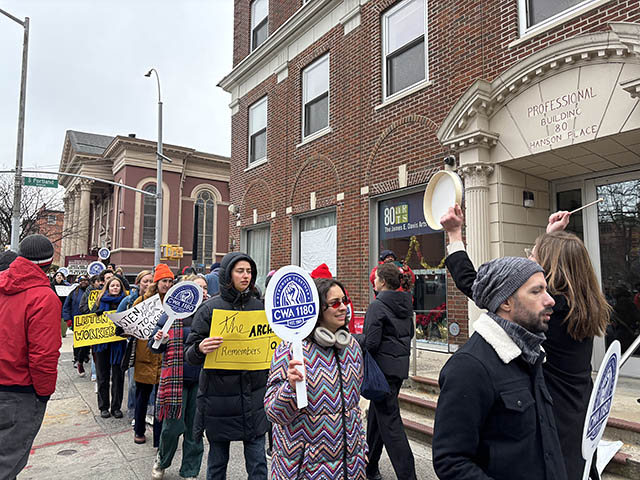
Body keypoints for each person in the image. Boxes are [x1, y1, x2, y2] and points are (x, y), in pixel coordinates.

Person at [441, 205, 610, 480]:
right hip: (578, 419)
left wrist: (454, 236)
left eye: (533, 256)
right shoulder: (583, 305)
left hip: (549, 425)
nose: (529, 260)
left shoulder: (548, 312)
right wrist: (550, 237)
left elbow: (480, 286)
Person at [432, 255, 567, 480]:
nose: (550, 300)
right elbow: (451, 461)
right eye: (536, 291)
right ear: (506, 302)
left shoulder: (531, 355)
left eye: (546, 290)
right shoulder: (469, 367)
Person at [265, 277, 367, 479]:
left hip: (351, 467)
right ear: (318, 310)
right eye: (335, 303)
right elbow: (274, 413)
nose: (343, 307)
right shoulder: (290, 350)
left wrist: (361, 448)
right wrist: (290, 389)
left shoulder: (351, 347)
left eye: (344, 301)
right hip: (306, 469)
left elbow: (354, 407)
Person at [185, 252, 269, 480]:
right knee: (217, 464)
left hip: (254, 398)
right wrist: (200, 348)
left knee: (258, 464)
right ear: (227, 274)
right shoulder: (209, 309)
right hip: (218, 401)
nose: (245, 276)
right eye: (240, 271)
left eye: (249, 271)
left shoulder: (261, 309)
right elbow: (189, 354)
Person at [0, 235, 62, 479]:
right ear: (49, 263)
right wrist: (43, 393)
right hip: (18, 391)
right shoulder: (43, 297)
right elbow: (43, 355)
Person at [360, 262, 416, 480]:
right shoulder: (405, 304)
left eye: (376, 278)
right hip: (397, 370)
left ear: (382, 282)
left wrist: (352, 340)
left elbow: (371, 343)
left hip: (381, 372)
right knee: (377, 419)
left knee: (391, 425)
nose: (373, 281)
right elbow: (410, 333)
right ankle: (370, 467)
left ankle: (408, 476)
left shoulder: (377, 306)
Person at [149, 273, 207, 480]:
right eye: (198, 288)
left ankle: (190, 470)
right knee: (172, 428)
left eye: (205, 288)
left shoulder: (211, 314)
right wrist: (160, 340)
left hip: (201, 380)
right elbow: (153, 347)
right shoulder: (170, 314)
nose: (202, 292)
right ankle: (162, 460)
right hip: (176, 380)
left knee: (195, 429)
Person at [130, 265, 172, 445]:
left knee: (161, 399)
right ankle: (139, 430)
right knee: (142, 395)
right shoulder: (141, 301)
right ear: (157, 282)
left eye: (170, 281)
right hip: (145, 354)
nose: (167, 285)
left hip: (164, 355)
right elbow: (132, 326)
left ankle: (159, 438)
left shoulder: (173, 303)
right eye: (164, 281)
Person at [117, 270, 153, 419]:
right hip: (134, 346)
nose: (149, 284)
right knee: (133, 383)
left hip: (151, 347)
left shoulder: (158, 301)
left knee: (151, 381)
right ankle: (133, 411)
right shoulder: (128, 301)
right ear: (138, 283)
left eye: (151, 281)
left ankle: (149, 412)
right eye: (145, 281)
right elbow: (118, 322)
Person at [91, 276, 127, 418]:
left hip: (118, 345)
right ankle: (103, 407)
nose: (115, 288)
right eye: (112, 285)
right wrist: (96, 314)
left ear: (121, 288)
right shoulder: (99, 301)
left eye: (117, 285)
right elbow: (88, 319)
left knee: (118, 377)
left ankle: (116, 407)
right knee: (102, 376)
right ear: (107, 287)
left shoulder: (126, 302)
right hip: (102, 345)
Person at [63, 275, 91, 376]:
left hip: (90, 322)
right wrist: (67, 319)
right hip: (77, 322)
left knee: (87, 342)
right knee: (78, 341)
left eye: (85, 280)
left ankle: (84, 356)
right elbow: (66, 306)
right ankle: (77, 359)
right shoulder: (73, 293)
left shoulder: (92, 292)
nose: (83, 282)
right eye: (81, 280)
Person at [51, 270, 71, 337]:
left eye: (61, 275)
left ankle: (63, 333)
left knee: (63, 318)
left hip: (63, 303)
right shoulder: (51, 285)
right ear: (55, 277)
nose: (59, 277)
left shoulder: (66, 285)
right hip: (54, 304)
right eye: (58, 275)